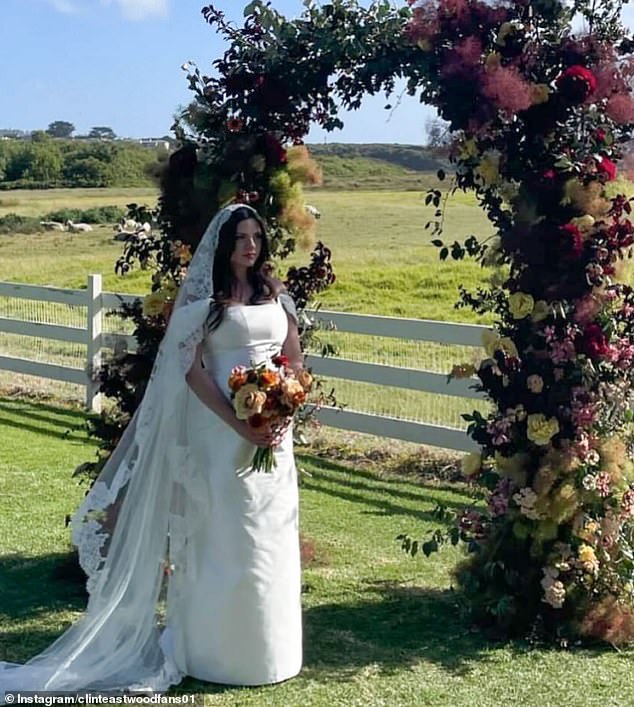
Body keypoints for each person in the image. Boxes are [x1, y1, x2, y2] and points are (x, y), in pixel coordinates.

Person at [0, 203, 303, 694]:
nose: (251, 245)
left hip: (273, 435)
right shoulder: (206, 302)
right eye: (241, 237)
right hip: (220, 432)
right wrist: (237, 421)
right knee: (224, 536)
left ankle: (270, 651)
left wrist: (283, 407)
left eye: (256, 237)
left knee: (269, 536)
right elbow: (190, 370)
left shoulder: (275, 294)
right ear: (224, 245)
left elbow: (292, 357)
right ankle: (216, 652)